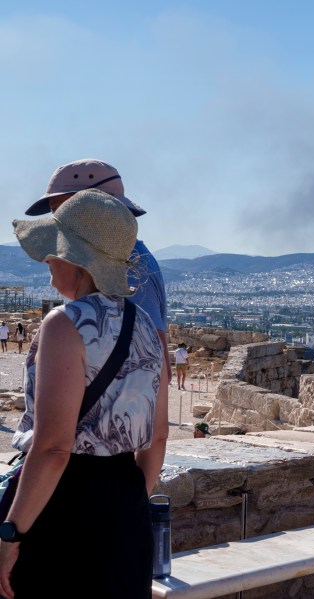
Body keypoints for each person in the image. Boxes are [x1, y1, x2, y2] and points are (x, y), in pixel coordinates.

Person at [0, 190, 167, 598]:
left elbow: (54, 448)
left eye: (54, 252)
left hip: (62, 506)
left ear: (76, 258)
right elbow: (158, 437)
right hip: (127, 503)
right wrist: (125, 503)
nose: (47, 262)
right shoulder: (148, 327)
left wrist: (10, 535)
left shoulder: (64, 324)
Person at [25, 158, 171, 384]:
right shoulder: (125, 259)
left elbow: (155, 369)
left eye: (60, 211)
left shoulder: (129, 267)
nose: (55, 221)